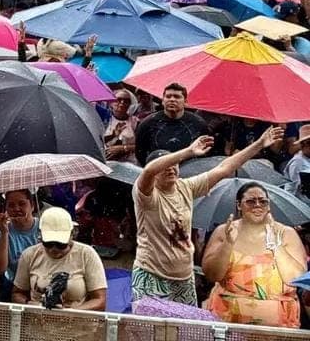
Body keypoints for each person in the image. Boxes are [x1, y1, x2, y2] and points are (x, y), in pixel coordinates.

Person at [131, 127, 284, 304]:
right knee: (149, 329)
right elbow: (148, 171)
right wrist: (188, 151)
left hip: (183, 277)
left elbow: (224, 169)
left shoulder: (185, 187)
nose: (171, 168)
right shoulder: (146, 195)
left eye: (174, 165)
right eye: (165, 165)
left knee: (185, 330)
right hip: (151, 274)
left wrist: (258, 144)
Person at [202, 181, 306, 327]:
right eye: (251, 201)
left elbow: (295, 279)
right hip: (228, 319)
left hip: (278, 323)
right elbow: (212, 275)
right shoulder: (224, 231)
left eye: (263, 201)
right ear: (239, 205)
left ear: (268, 206)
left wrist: (276, 245)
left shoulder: (285, 233)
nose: (257, 205)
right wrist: (228, 244)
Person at [12, 207, 108, 311]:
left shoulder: (87, 254)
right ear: (40, 235)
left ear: (71, 235)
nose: (54, 249)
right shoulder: (29, 255)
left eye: (60, 244)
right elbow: (17, 293)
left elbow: (100, 300)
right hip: (38, 319)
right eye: (48, 244)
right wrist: (29, 304)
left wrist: (73, 312)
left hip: (77, 321)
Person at [133, 83, 210, 166]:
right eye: (168, 96)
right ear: (162, 101)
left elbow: (206, 152)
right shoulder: (147, 124)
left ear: (185, 101)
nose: (172, 99)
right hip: (158, 170)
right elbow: (140, 153)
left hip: (190, 172)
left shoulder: (198, 123)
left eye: (177, 97)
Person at [0, 190, 41, 296]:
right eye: (11, 205)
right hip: (13, 285)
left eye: (22, 204)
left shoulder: (44, 228)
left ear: (32, 206)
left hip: (41, 284)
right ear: (6, 209)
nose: (16, 209)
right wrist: (4, 233)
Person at [104, 89, 141, 163]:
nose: (122, 103)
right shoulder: (104, 119)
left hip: (129, 163)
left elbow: (142, 145)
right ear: (111, 102)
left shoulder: (135, 122)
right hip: (106, 162)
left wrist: (122, 148)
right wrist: (113, 135)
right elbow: (98, 140)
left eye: (126, 101)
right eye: (118, 100)